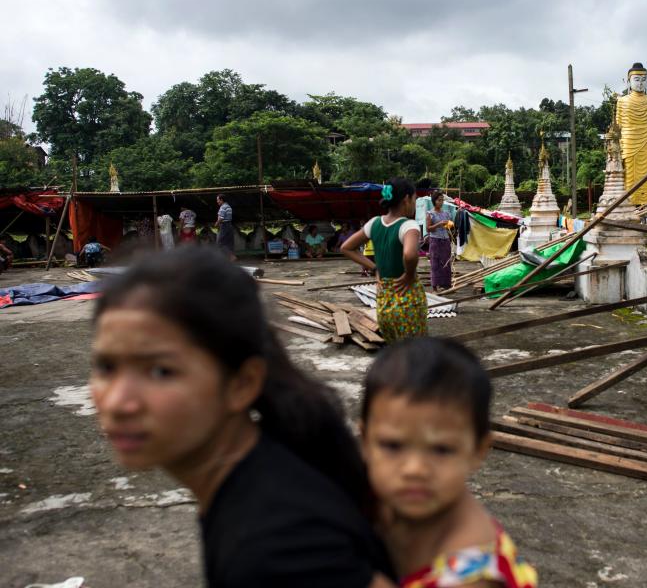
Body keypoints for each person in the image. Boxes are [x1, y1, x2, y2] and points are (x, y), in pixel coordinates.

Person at [89, 247, 395, 587]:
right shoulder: (260, 477)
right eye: (106, 366)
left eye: (161, 371)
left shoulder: (276, 551)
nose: (117, 402)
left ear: (242, 384)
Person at [361, 337, 538, 588]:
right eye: (392, 446)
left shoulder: (472, 574)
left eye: (441, 449)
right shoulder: (369, 497)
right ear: (365, 441)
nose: (415, 469)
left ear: (478, 451)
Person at [341, 179, 427, 343]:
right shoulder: (409, 225)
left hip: (384, 299)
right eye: (415, 199)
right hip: (408, 300)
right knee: (415, 353)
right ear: (406, 199)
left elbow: (346, 247)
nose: (415, 204)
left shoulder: (374, 223)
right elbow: (409, 255)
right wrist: (409, 275)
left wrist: (375, 269)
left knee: (394, 349)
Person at [615, 62, 647, 206]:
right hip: (628, 144)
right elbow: (617, 129)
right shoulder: (622, 101)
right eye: (636, 79)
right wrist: (616, 153)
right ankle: (629, 207)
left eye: (643, 80)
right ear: (628, 81)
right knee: (629, 178)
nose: (640, 83)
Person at [425, 191, 453, 292]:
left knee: (446, 262)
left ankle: (446, 285)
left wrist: (450, 225)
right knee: (435, 263)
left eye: (442, 200)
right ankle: (435, 287)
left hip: (445, 240)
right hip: (435, 240)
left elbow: (448, 227)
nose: (441, 202)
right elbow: (428, 229)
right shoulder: (430, 214)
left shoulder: (446, 213)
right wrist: (439, 224)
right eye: (439, 200)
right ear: (434, 201)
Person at [215, 194, 235, 261]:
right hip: (229, 225)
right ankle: (231, 257)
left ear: (221, 200)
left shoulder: (223, 207)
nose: (217, 201)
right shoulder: (228, 206)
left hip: (224, 226)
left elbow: (221, 218)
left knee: (220, 242)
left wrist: (217, 223)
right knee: (228, 242)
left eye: (218, 200)